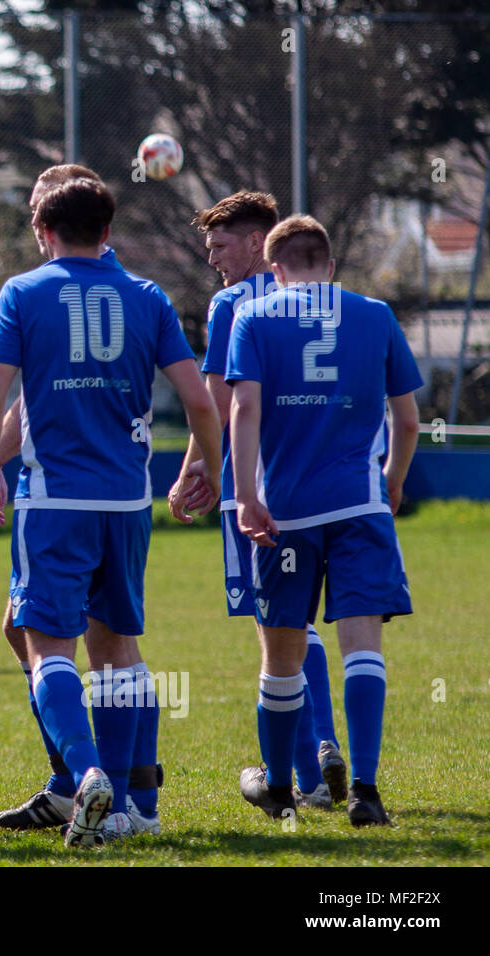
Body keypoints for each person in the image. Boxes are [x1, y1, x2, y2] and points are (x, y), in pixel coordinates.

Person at [0, 176, 223, 847]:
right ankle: (139, 806)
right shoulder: (148, 296)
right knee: (119, 653)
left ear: (43, 233)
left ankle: (86, 776)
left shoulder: (24, 292)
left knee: (44, 641)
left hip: (55, 502)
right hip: (127, 502)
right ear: (108, 233)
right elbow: (202, 402)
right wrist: (208, 467)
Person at [227, 214, 420, 827]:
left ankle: (280, 789)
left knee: (282, 652)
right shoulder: (376, 315)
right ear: (331, 265)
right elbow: (409, 421)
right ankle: (365, 792)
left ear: (275, 270)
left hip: (286, 513)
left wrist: (245, 496)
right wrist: (389, 486)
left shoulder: (254, 317)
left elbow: (245, 408)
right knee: (362, 646)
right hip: (359, 506)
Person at [169, 190, 344, 809]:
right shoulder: (324, 300)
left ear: (254, 243)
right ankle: (323, 745)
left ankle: (308, 777)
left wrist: (193, 470)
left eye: (220, 246)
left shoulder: (229, 306)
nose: (213, 258)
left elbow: (217, 405)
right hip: (324, 484)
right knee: (301, 622)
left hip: (253, 488)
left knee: (276, 626)